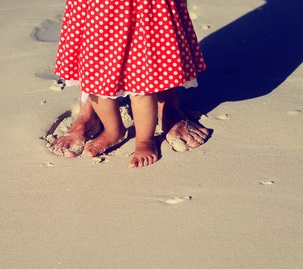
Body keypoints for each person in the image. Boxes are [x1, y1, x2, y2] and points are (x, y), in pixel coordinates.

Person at [50, 0, 210, 168]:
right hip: (99, 13)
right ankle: (113, 130)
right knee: (96, 78)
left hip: (143, 10)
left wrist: (143, 141)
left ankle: (144, 140)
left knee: (143, 82)